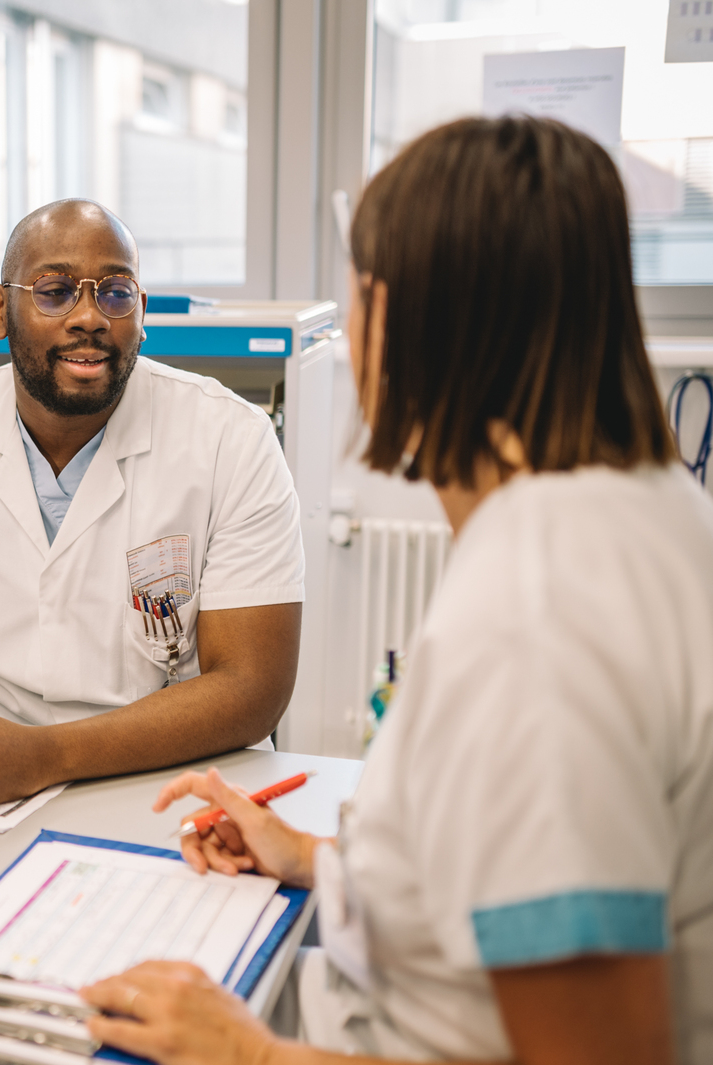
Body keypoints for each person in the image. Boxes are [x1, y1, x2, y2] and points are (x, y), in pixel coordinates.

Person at [79, 116, 712, 1065]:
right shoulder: (639, 507)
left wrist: (249, 1053)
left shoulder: (542, 613)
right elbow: (503, 859)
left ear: (405, 316)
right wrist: (314, 860)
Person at [0, 199, 304, 810]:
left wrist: (45, 756)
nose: (90, 317)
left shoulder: (231, 438)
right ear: (1, 310)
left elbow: (253, 687)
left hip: (172, 778)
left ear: (142, 314)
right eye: (55, 292)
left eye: (116, 293)